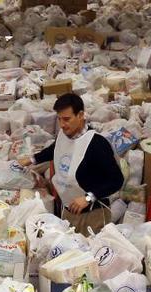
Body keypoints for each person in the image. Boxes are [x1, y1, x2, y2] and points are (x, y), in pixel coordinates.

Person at [18, 93, 124, 235]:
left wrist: (88, 197)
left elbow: (116, 180)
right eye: (59, 119)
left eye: (67, 119)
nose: (62, 125)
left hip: (93, 215)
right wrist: (32, 159)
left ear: (80, 115)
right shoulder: (64, 135)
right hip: (69, 210)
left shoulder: (97, 144)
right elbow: (55, 149)